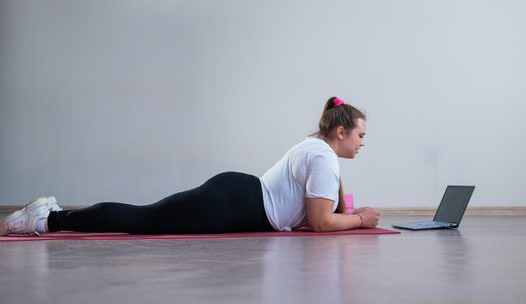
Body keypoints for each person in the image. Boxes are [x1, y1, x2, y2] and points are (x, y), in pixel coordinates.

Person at [0, 96, 380, 236]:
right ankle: (47, 219)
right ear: (342, 131)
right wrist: (361, 220)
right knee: (143, 221)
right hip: (235, 203)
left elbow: (327, 207)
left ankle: (50, 216)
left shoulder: (317, 148)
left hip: (237, 195)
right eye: (360, 136)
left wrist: (351, 212)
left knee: (146, 217)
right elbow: (321, 223)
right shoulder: (323, 156)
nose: (363, 143)